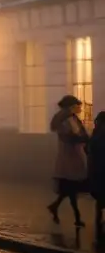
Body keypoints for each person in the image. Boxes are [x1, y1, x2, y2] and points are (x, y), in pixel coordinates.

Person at [47, 95, 89, 227]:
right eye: (77, 106)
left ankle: (56, 206)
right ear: (71, 107)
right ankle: (76, 217)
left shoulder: (70, 119)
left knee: (70, 188)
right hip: (70, 156)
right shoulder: (67, 121)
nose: (80, 108)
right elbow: (71, 137)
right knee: (71, 185)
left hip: (72, 154)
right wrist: (85, 140)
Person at [89, 111, 105, 239]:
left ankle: (98, 222)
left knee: (99, 199)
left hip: (97, 169)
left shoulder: (96, 132)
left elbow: (88, 149)